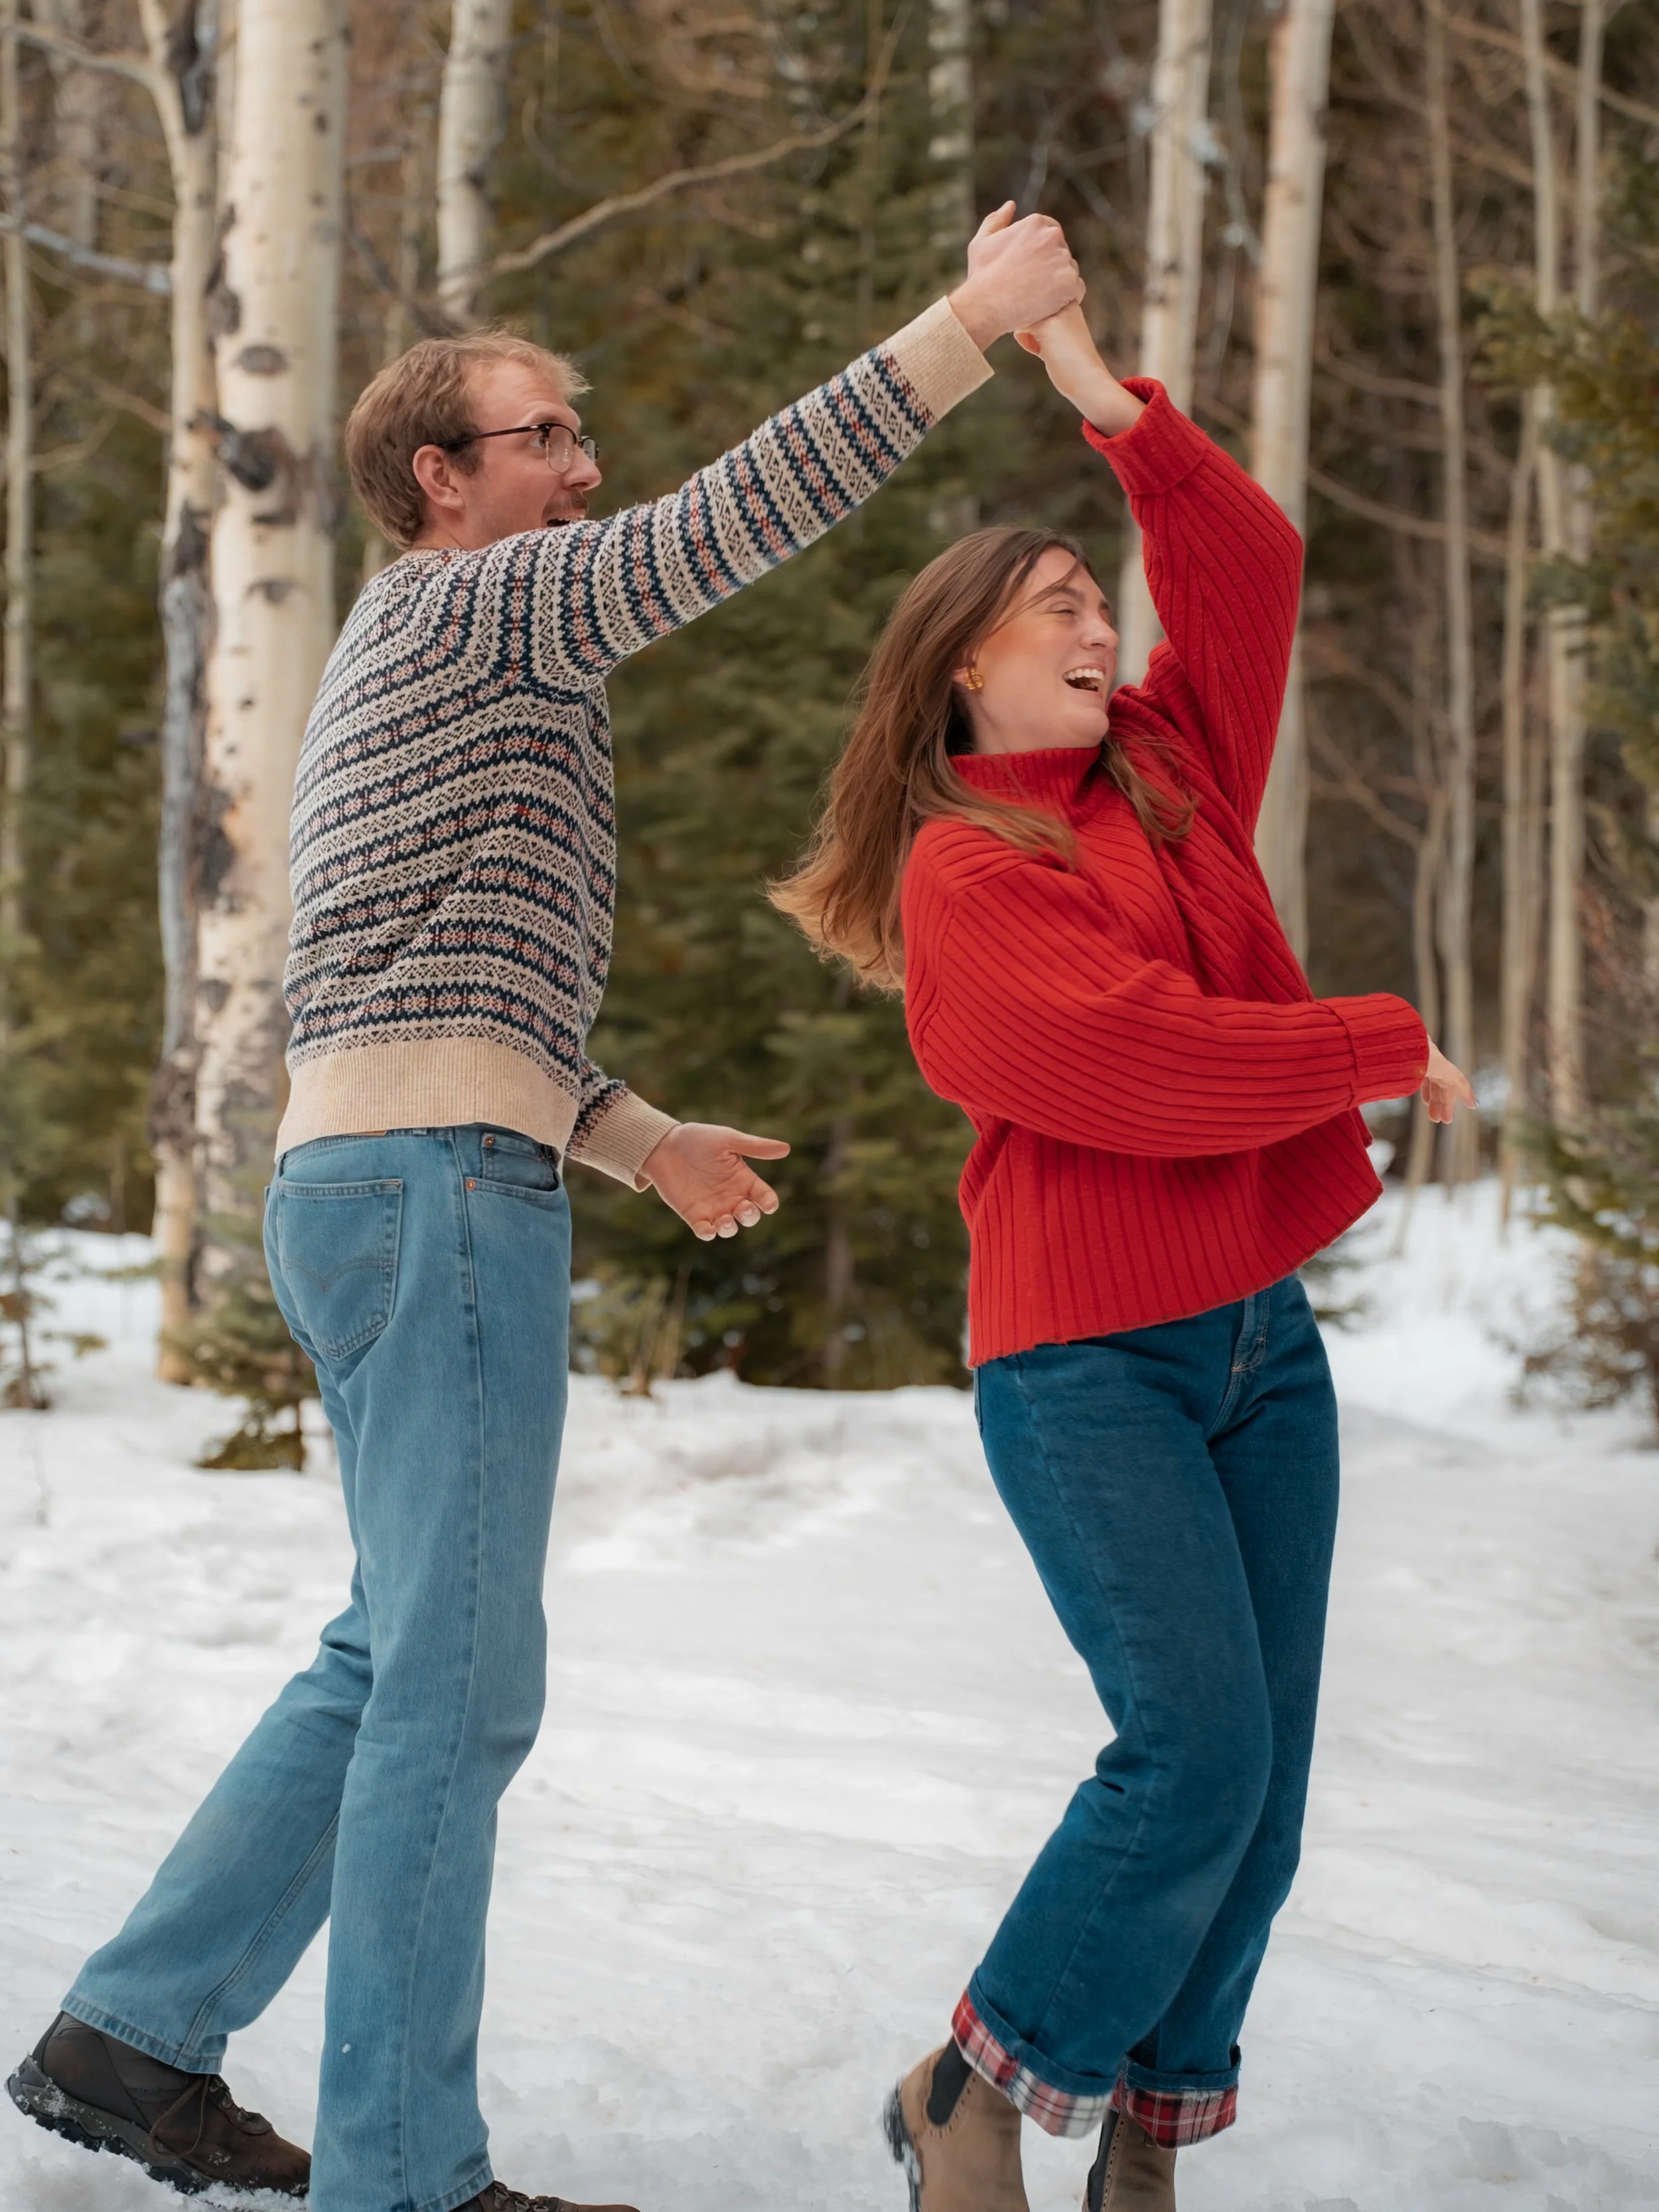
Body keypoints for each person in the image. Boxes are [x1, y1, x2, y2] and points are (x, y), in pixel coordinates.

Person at [6, 209, 1087, 2212]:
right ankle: (406, 2174)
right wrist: (964, 330)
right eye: (545, 434)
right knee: (453, 1687)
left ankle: (130, 2034)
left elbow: (423, 978)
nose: (584, 466)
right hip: (427, 1192)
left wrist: (634, 1131)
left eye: (580, 435)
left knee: (389, 1653)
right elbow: (738, 515)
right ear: (443, 477)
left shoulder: (428, 648)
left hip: (383, 1172)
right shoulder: (471, 605)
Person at [770, 303, 1477, 2212]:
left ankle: (1148, 2140)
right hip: (1088, 1360)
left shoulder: (1161, 766)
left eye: (1101, 601)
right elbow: (1136, 1066)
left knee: (1265, 1789)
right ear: (962, 661)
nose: (1107, 629)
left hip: (1259, 1338)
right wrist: (1367, 1040)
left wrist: (1097, 393)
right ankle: (971, 2085)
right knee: (1190, 1752)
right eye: (1065, 608)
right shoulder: (962, 872)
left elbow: (1244, 563)